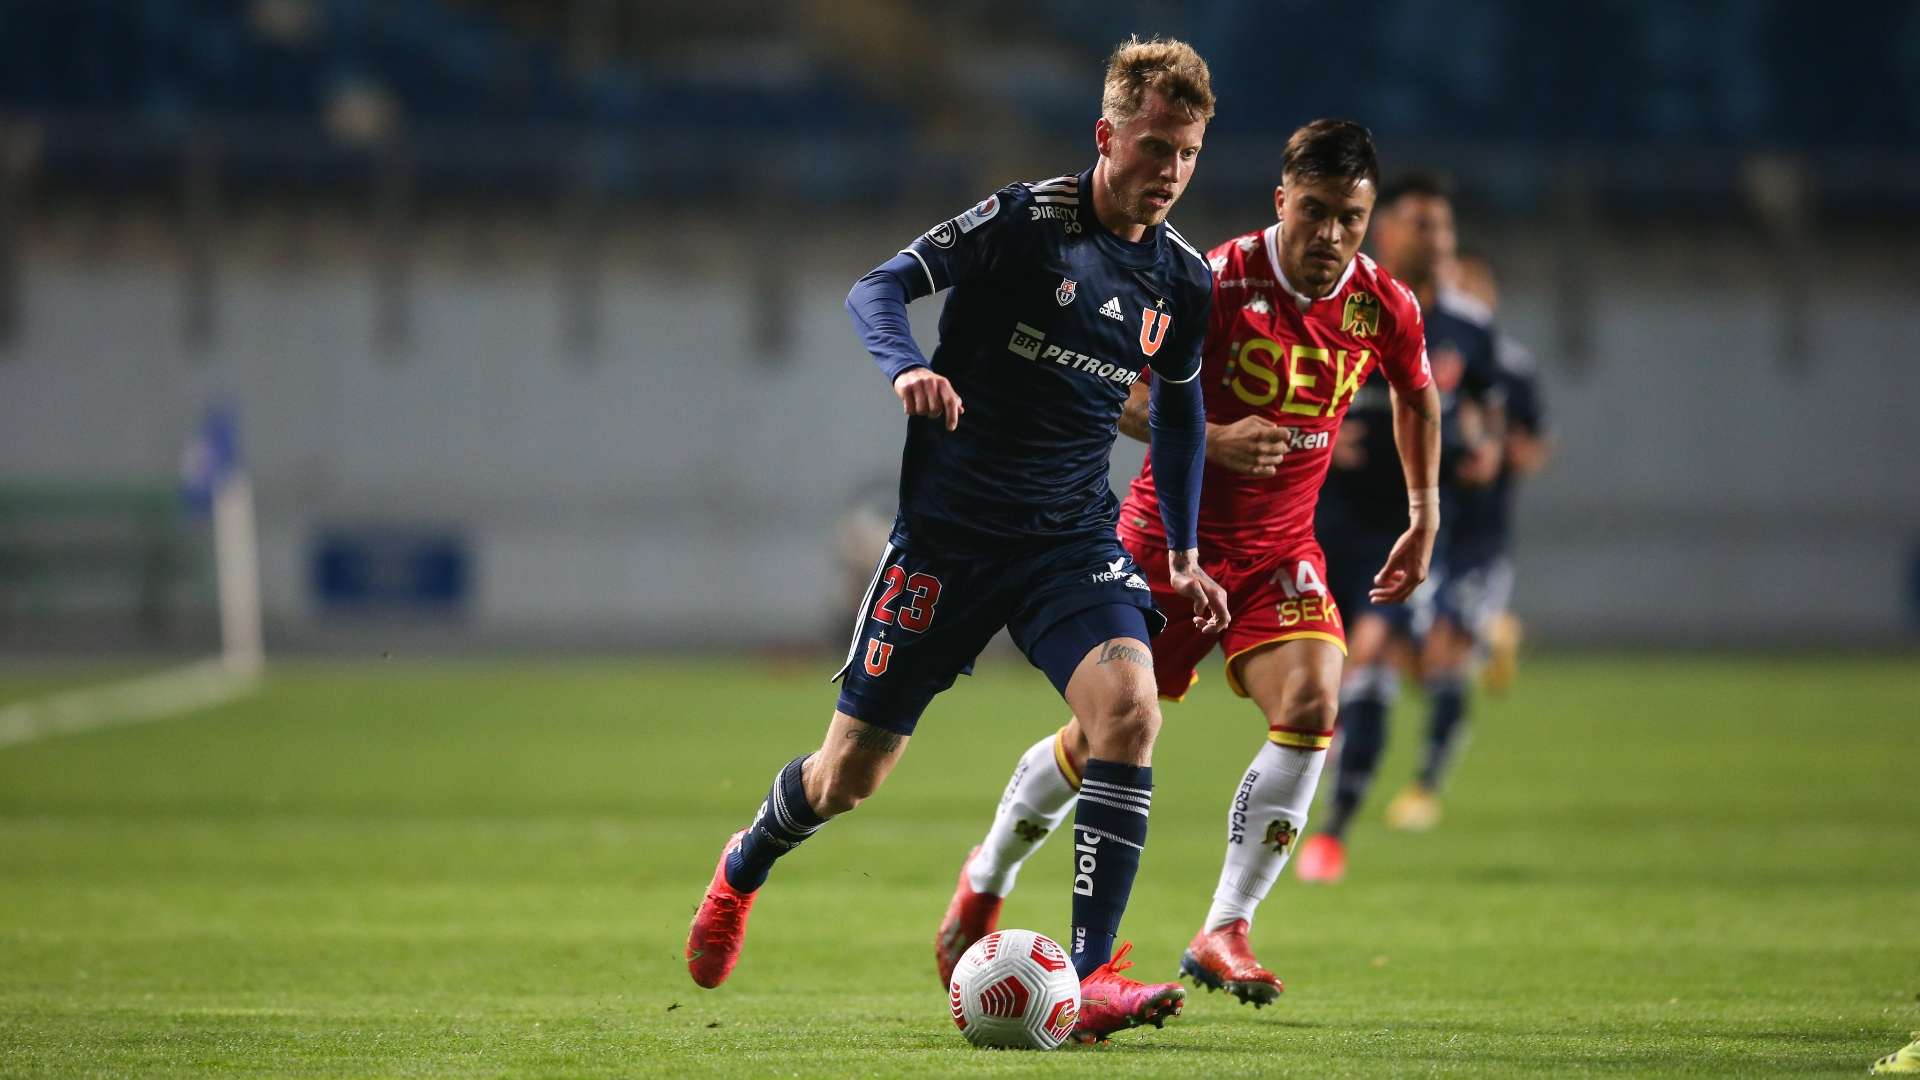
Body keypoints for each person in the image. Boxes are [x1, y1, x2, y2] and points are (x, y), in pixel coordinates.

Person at [685, 36, 1231, 1045]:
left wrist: (1187, 552)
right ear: (1106, 135)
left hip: (1069, 539)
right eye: (1154, 146)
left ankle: (1095, 974)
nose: (1169, 170)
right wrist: (905, 367)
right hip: (948, 539)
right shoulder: (1026, 222)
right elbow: (877, 287)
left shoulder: (1184, 280)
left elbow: (1182, 415)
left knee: (1128, 712)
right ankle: (743, 865)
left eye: (1187, 153)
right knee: (848, 778)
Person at [933, 120, 1442, 1006]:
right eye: (1314, 211)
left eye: (1350, 218)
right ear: (1281, 201)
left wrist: (1424, 513)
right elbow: (1119, 384)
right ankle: (987, 873)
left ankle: (1225, 927)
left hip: (1279, 551)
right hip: (1167, 544)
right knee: (1102, 739)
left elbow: (1417, 394)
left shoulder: (1382, 303)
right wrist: (1211, 437)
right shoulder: (1212, 281)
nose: (1329, 235)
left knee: (1315, 702)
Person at [1295, 172, 1505, 879]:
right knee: (1322, 677)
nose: (1436, 238)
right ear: (1386, 231)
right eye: (1422, 223)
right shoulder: (1340, 301)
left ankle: (1333, 831)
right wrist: (1321, 438)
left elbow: (1487, 413)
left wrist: (1483, 450)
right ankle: (1326, 775)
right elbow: (1292, 387)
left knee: (1375, 653)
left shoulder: (1471, 328)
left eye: (1443, 225)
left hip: (1411, 525)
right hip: (1326, 517)